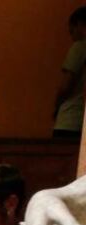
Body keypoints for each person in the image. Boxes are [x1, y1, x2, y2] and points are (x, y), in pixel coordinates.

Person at [54, 7, 86, 138]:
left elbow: (65, 86)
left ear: (79, 24)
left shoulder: (79, 47)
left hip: (69, 121)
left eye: (72, 31)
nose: (72, 37)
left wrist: (56, 106)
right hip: (82, 121)